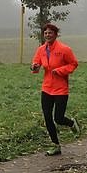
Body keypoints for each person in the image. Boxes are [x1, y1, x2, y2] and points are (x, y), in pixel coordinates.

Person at [30, 23, 80, 155]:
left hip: (60, 89)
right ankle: (55, 145)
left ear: (55, 34)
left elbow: (74, 64)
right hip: (46, 88)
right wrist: (34, 67)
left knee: (58, 118)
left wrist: (60, 71)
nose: (47, 35)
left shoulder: (64, 49)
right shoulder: (41, 49)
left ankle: (71, 123)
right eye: (45, 33)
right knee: (47, 117)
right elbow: (36, 64)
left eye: (50, 33)